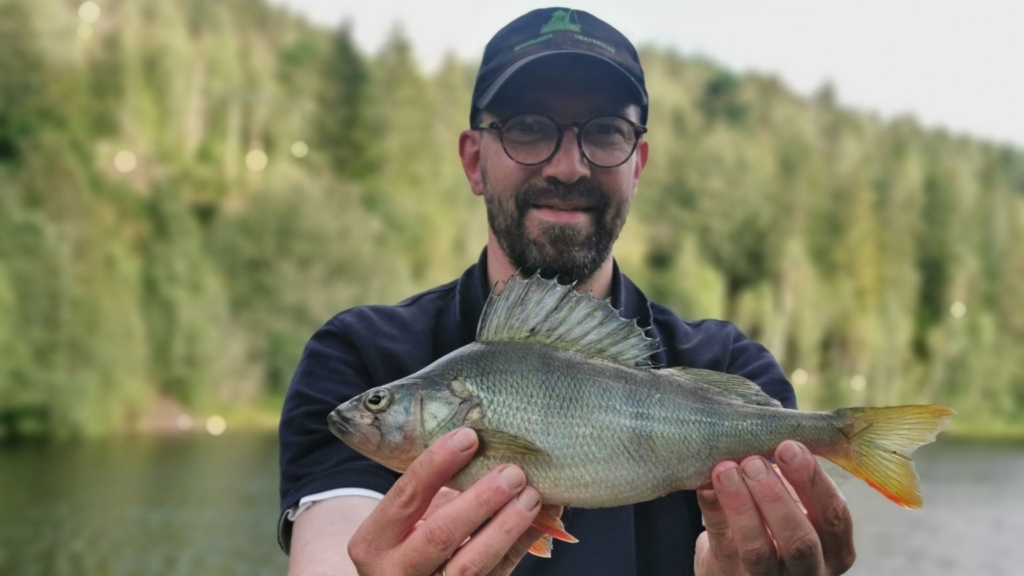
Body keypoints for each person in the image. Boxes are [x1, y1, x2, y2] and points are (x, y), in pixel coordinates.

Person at [279, 7, 856, 576]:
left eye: (605, 132)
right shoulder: (356, 355)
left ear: (638, 165)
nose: (568, 165)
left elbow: (790, 530)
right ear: (475, 160)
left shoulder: (733, 364)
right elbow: (331, 551)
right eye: (529, 126)